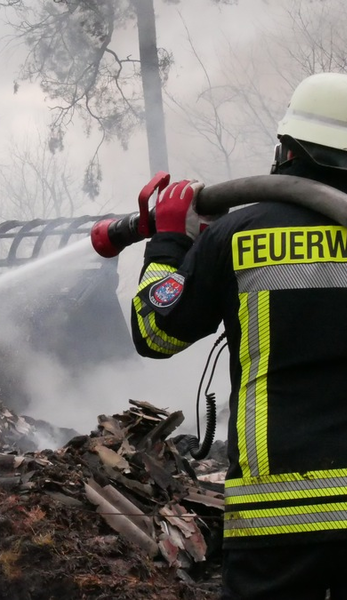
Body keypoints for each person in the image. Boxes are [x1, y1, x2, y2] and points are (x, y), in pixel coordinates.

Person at [130, 72, 347, 600]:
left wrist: (169, 244)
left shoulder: (239, 234)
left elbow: (154, 333)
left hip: (278, 514)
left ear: (287, 148)